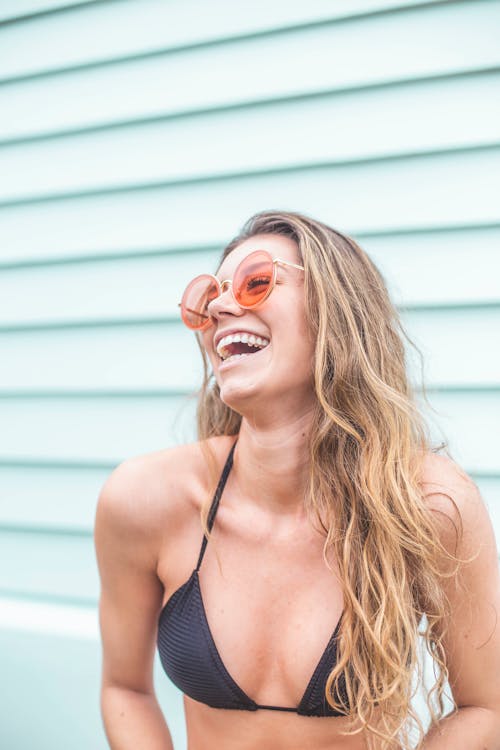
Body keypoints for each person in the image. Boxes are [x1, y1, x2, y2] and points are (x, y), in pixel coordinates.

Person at [94, 210, 500, 750]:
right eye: (205, 298)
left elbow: (486, 706)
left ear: (338, 313)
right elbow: (125, 689)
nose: (218, 306)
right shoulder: (145, 499)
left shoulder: (428, 502)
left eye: (256, 282)